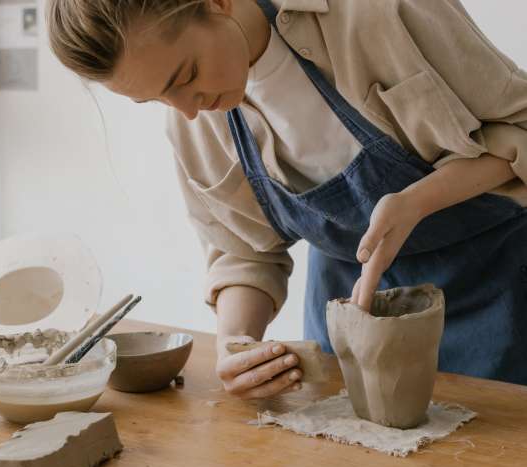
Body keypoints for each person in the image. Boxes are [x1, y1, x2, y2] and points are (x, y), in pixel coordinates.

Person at [48, 0, 527, 397]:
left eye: (185, 76)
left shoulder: (375, 12)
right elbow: (243, 253)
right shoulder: (193, 123)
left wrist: (419, 199)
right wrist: (237, 344)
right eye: (156, 99)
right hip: (350, 313)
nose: (188, 111)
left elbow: (520, 126)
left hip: (496, 291)